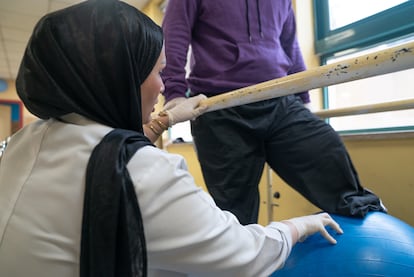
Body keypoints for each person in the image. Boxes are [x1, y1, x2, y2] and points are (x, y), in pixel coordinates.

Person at [0, 1, 344, 276]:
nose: (162, 86)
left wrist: (162, 121)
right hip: (225, 106)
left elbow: (107, 153)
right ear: (118, 77)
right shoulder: (147, 171)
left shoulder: (18, 144)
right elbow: (243, 258)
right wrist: (298, 226)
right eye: (157, 72)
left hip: (278, 99)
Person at [161, 0, 387, 225]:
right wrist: (175, 94)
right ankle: (241, 255)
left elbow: (290, 46)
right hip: (221, 106)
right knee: (234, 209)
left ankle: (368, 223)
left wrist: (304, 99)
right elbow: (174, 37)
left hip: (279, 100)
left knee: (328, 154)